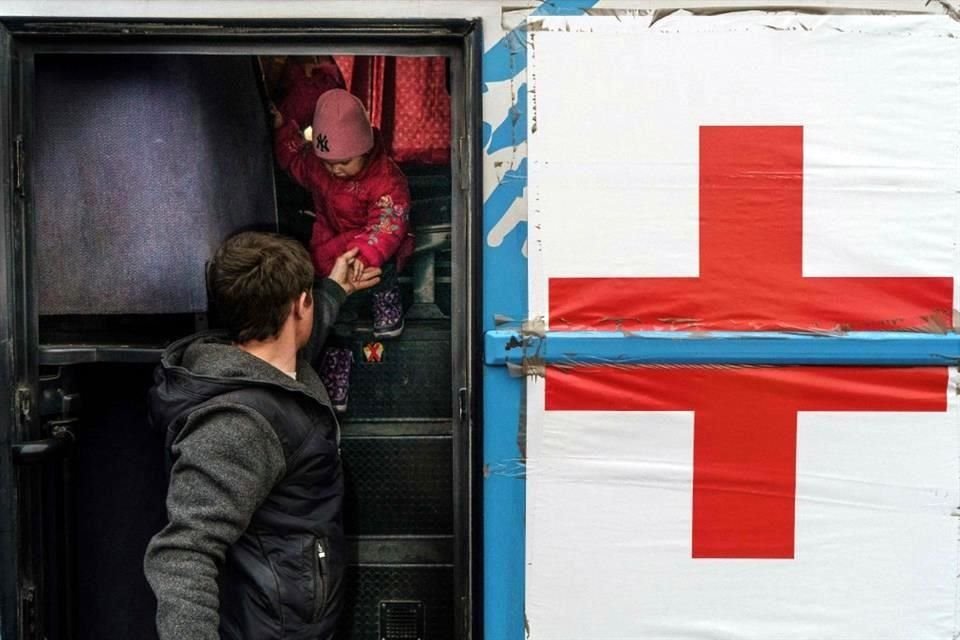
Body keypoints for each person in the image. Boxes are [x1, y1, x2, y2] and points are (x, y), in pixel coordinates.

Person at [143, 232, 381, 640]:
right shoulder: (238, 423)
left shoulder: (275, 369)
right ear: (297, 306)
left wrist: (334, 289)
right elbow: (185, 552)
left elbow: (302, 333)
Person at [273, 88, 413, 412]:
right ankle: (336, 375)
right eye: (328, 162)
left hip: (371, 245)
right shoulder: (318, 166)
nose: (335, 170)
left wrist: (363, 257)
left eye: (344, 162)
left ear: (364, 148)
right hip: (331, 247)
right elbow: (295, 157)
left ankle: (386, 300)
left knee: (384, 262)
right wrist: (282, 128)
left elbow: (388, 226)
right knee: (338, 315)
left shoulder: (387, 180)